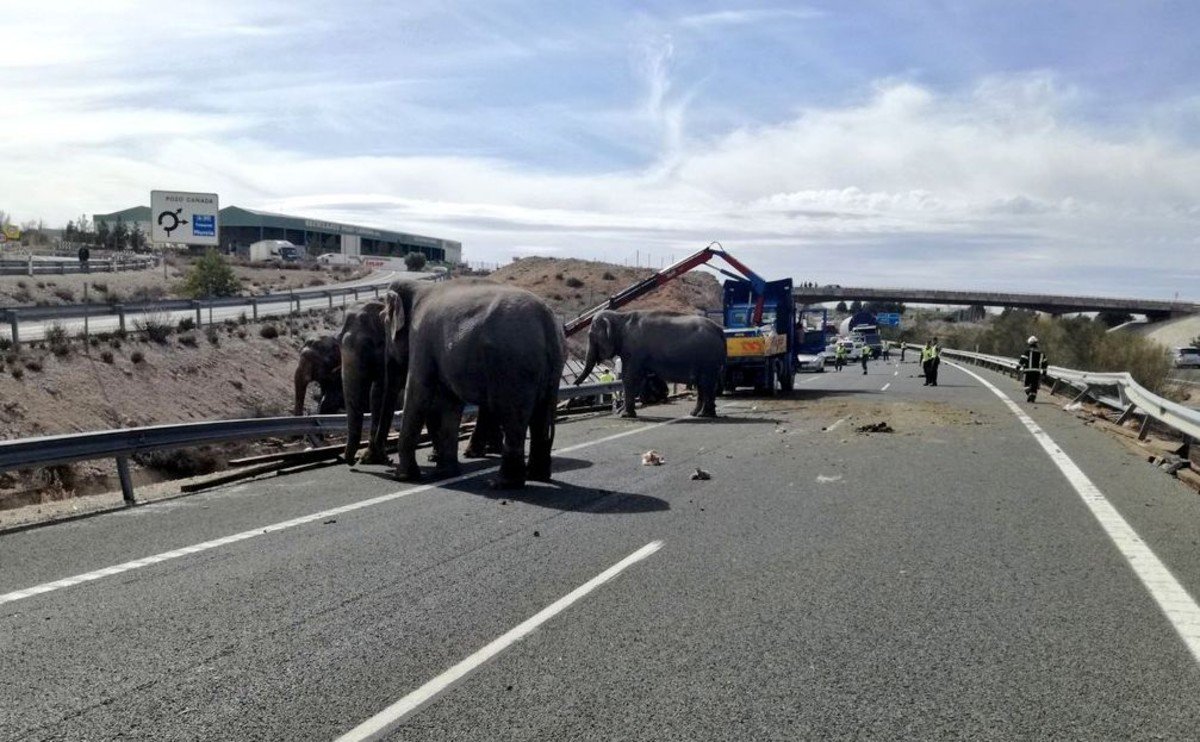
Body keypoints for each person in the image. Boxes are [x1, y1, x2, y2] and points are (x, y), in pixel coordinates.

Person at [1018, 335, 1049, 402]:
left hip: (1027, 372)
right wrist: (1044, 373)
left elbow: (1022, 360)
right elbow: (1045, 364)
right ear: (1036, 344)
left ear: (1029, 344)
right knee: (1034, 386)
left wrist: (1018, 366)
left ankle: (1029, 393)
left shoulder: (1027, 352)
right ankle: (1033, 396)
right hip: (1037, 372)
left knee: (1026, 385)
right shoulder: (1041, 354)